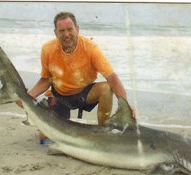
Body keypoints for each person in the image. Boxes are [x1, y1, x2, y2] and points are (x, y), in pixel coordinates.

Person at [19, 12, 134, 142]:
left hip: (84, 94)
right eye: (61, 31)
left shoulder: (90, 48)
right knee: (44, 139)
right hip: (59, 96)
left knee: (106, 88)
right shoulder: (48, 49)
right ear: (55, 32)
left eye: (70, 29)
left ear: (77, 29)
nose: (66, 34)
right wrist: (30, 96)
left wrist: (125, 106)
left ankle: (103, 132)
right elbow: (46, 79)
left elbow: (112, 77)